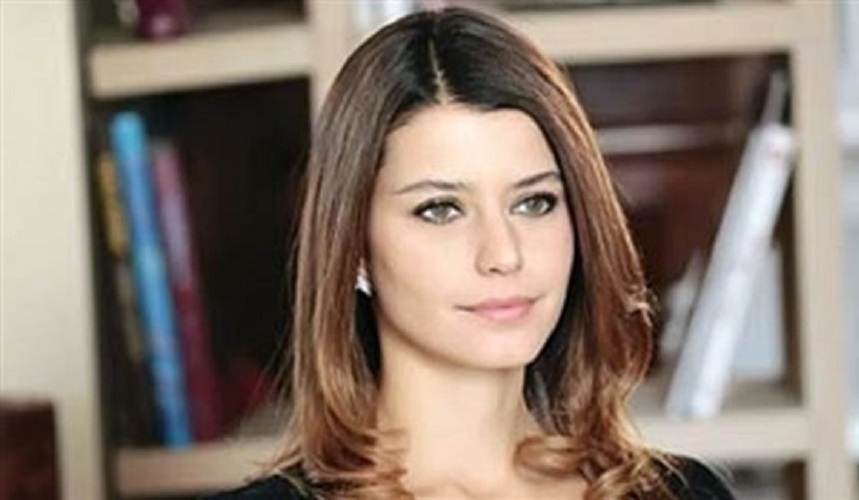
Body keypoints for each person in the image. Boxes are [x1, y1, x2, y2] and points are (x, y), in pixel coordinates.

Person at [208, 6, 735, 500]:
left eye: (534, 202)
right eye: (441, 210)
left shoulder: (683, 493)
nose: (503, 254)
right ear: (355, 249)